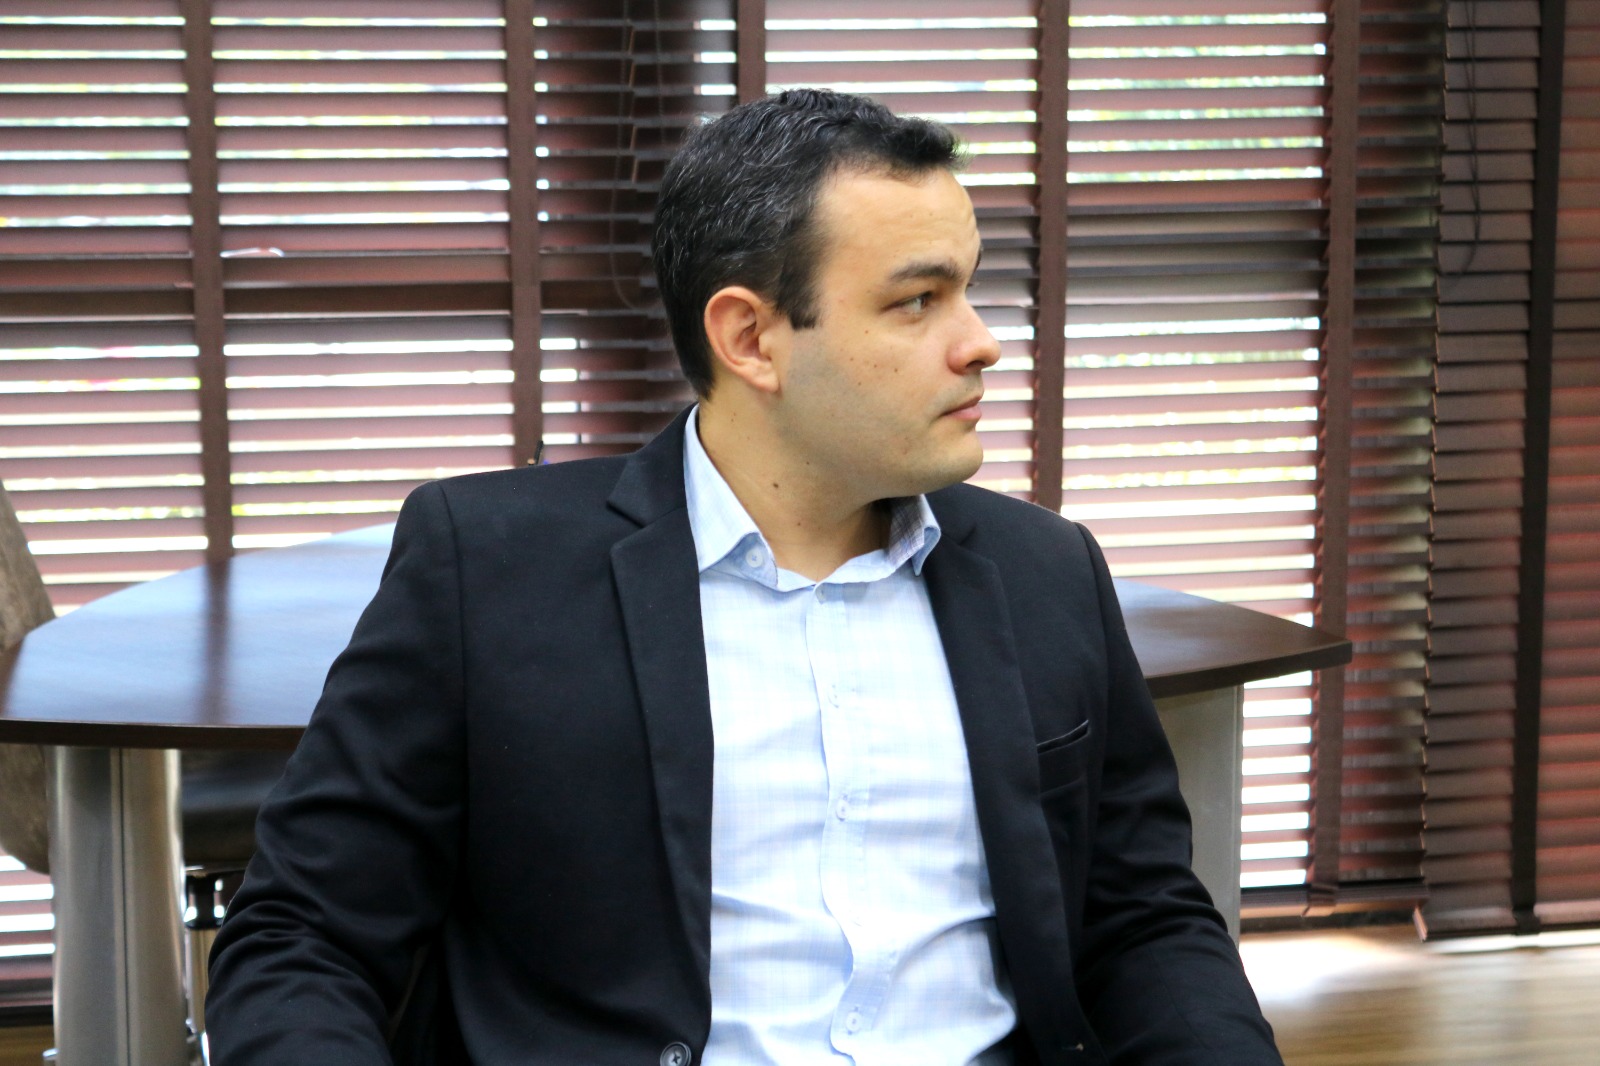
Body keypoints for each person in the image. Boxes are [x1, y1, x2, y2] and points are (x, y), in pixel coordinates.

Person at [205, 89, 1284, 1066]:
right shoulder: (485, 569)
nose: (981, 343)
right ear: (750, 339)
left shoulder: (1047, 571)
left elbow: (1142, 922)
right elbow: (305, 934)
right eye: (918, 300)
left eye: (969, 289)